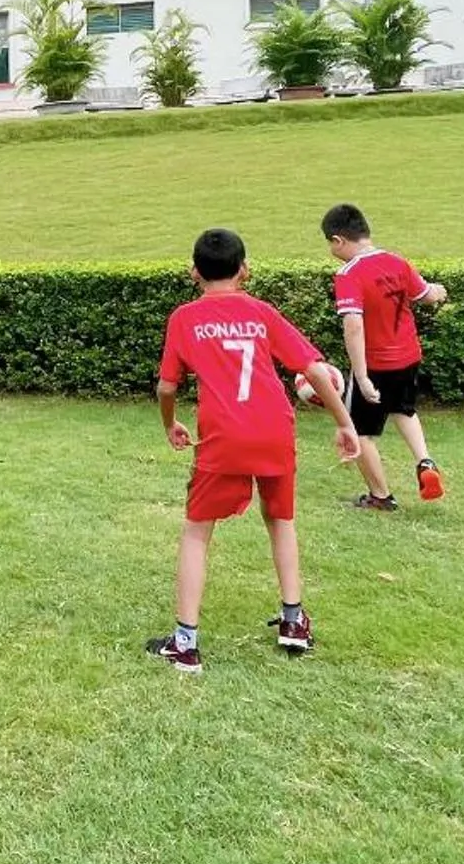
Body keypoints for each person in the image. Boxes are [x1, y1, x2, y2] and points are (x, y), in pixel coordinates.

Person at [149, 227, 360, 669]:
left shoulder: (184, 318)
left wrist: (170, 424)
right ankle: (293, 622)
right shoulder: (261, 312)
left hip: (223, 436)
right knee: (280, 520)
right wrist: (344, 422)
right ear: (244, 270)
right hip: (274, 430)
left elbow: (167, 387)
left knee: (197, 530)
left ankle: (185, 643)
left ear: (193, 272)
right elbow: (314, 369)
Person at [320, 202, 447, 510]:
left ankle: (380, 496)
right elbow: (426, 295)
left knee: (358, 431)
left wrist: (362, 376)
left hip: (376, 363)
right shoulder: (397, 262)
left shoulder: (349, 274)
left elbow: (353, 326)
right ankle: (425, 462)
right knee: (404, 410)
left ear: (338, 240)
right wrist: (439, 290)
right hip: (409, 356)